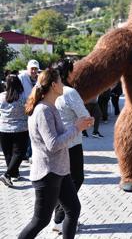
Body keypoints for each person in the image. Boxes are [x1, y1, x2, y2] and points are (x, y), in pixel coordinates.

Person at [18, 68, 93, 239]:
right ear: (53, 85)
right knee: (40, 220)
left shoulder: (50, 107)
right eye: (60, 81)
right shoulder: (43, 110)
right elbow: (53, 144)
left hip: (59, 170)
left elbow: (57, 137)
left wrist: (79, 124)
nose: (63, 84)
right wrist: (77, 127)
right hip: (47, 173)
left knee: (73, 210)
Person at [51, 59, 94, 233]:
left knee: (61, 180)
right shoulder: (69, 92)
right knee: (75, 179)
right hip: (72, 142)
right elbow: (85, 116)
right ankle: (61, 219)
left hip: (53, 142)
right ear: (68, 73)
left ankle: (58, 219)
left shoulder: (46, 91)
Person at [0, 74, 28, 186]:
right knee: (19, 153)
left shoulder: (1, 96)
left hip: (3, 129)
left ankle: (14, 173)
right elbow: (28, 111)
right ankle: (7, 174)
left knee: (8, 153)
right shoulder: (23, 97)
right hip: (20, 129)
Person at [18, 59, 40, 161]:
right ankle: (24, 153)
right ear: (28, 69)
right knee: (24, 132)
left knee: (33, 131)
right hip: (23, 108)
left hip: (35, 108)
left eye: (35, 69)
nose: (34, 71)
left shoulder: (39, 79)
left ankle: (30, 154)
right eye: (32, 69)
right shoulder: (21, 77)